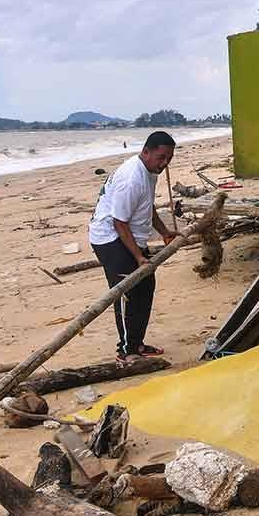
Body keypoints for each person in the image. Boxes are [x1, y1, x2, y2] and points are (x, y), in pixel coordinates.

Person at [89, 131, 179, 362]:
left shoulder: (150, 171)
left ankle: (136, 344)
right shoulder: (131, 179)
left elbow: (147, 206)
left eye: (169, 158)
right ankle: (125, 351)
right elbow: (119, 222)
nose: (165, 163)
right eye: (161, 157)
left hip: (129, 236)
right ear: (146, 151)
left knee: (145, 287)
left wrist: (165, 232)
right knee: (126, 294)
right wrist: (139, 257)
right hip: (110, 238)